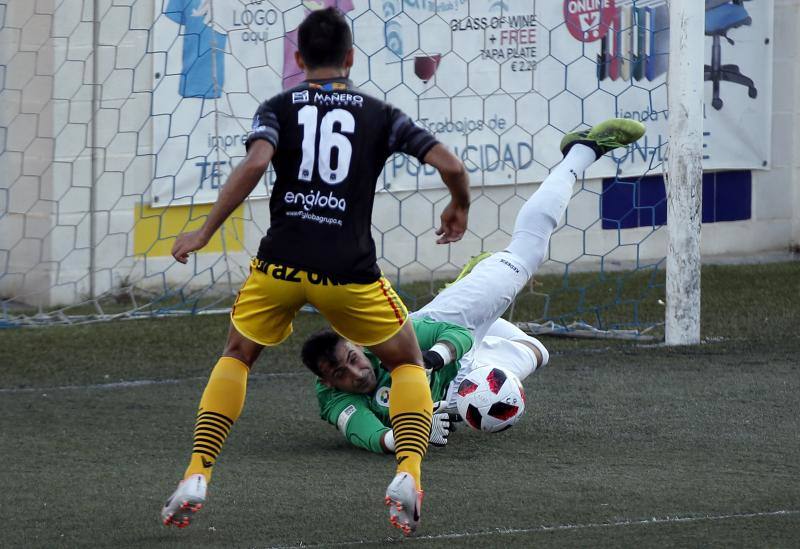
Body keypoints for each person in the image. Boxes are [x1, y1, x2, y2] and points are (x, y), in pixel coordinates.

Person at [160, 7, 471, 533]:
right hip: (347, 272)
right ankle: (408, 473)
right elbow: (451, 164)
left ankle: (197, 472)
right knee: (407, 362)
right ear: (350, 57)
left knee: (237, 355)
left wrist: (204, 232)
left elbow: (257, 164)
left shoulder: (278, 106)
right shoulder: (379, 114)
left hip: (280, 262)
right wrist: (458, 204)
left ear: (299, 58)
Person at [301, 119, 646, 531]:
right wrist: (407, 436)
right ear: (328, 382)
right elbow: (362, 431)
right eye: (340, 374)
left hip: (452, 322)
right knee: (537, 352)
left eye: (353, 359)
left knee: (526, 254)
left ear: (356, 345)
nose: (355, 373)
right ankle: (478, 297)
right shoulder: (332, 401)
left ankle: (583, 150)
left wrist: (430, 359)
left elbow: (458, 335)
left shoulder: (387, 338)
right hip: (460, 371)